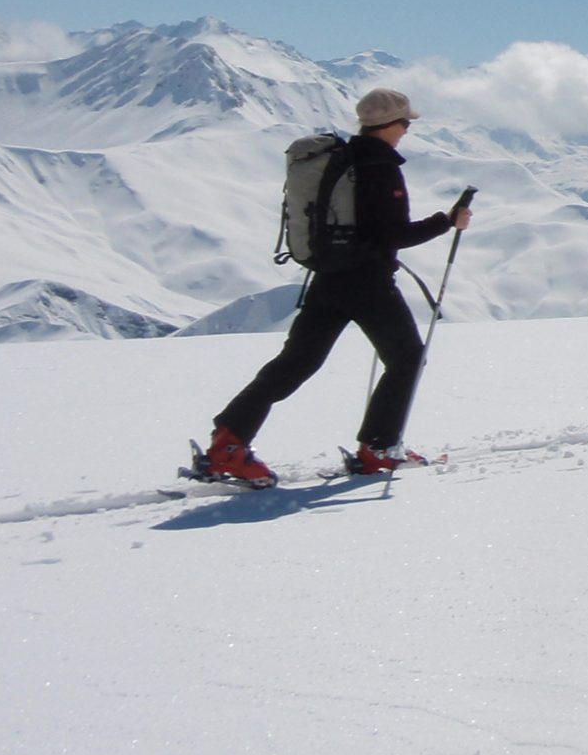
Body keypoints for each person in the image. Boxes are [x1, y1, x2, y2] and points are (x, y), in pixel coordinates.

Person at [201, 87, 473, 485]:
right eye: (406, 122)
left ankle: (227, 444)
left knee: (295, 364)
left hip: (328, 277)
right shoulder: (381, 168)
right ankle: (377, 450)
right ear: (391, 125)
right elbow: (391, 234)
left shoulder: (341, 160)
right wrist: (448, 221)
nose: (408, 129)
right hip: (367, 282)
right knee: (407, 358)